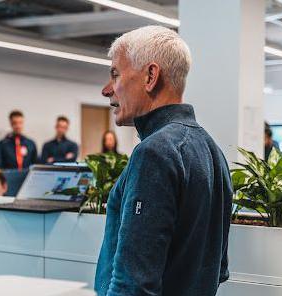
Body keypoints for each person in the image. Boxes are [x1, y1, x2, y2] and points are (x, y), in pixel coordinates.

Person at [95, 26, 232, 296]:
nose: (107, 90)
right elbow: (219, 269)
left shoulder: (154, 153)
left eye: (115, 74)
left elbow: (133, 285)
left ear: (150, 76)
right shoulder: (212, 150)